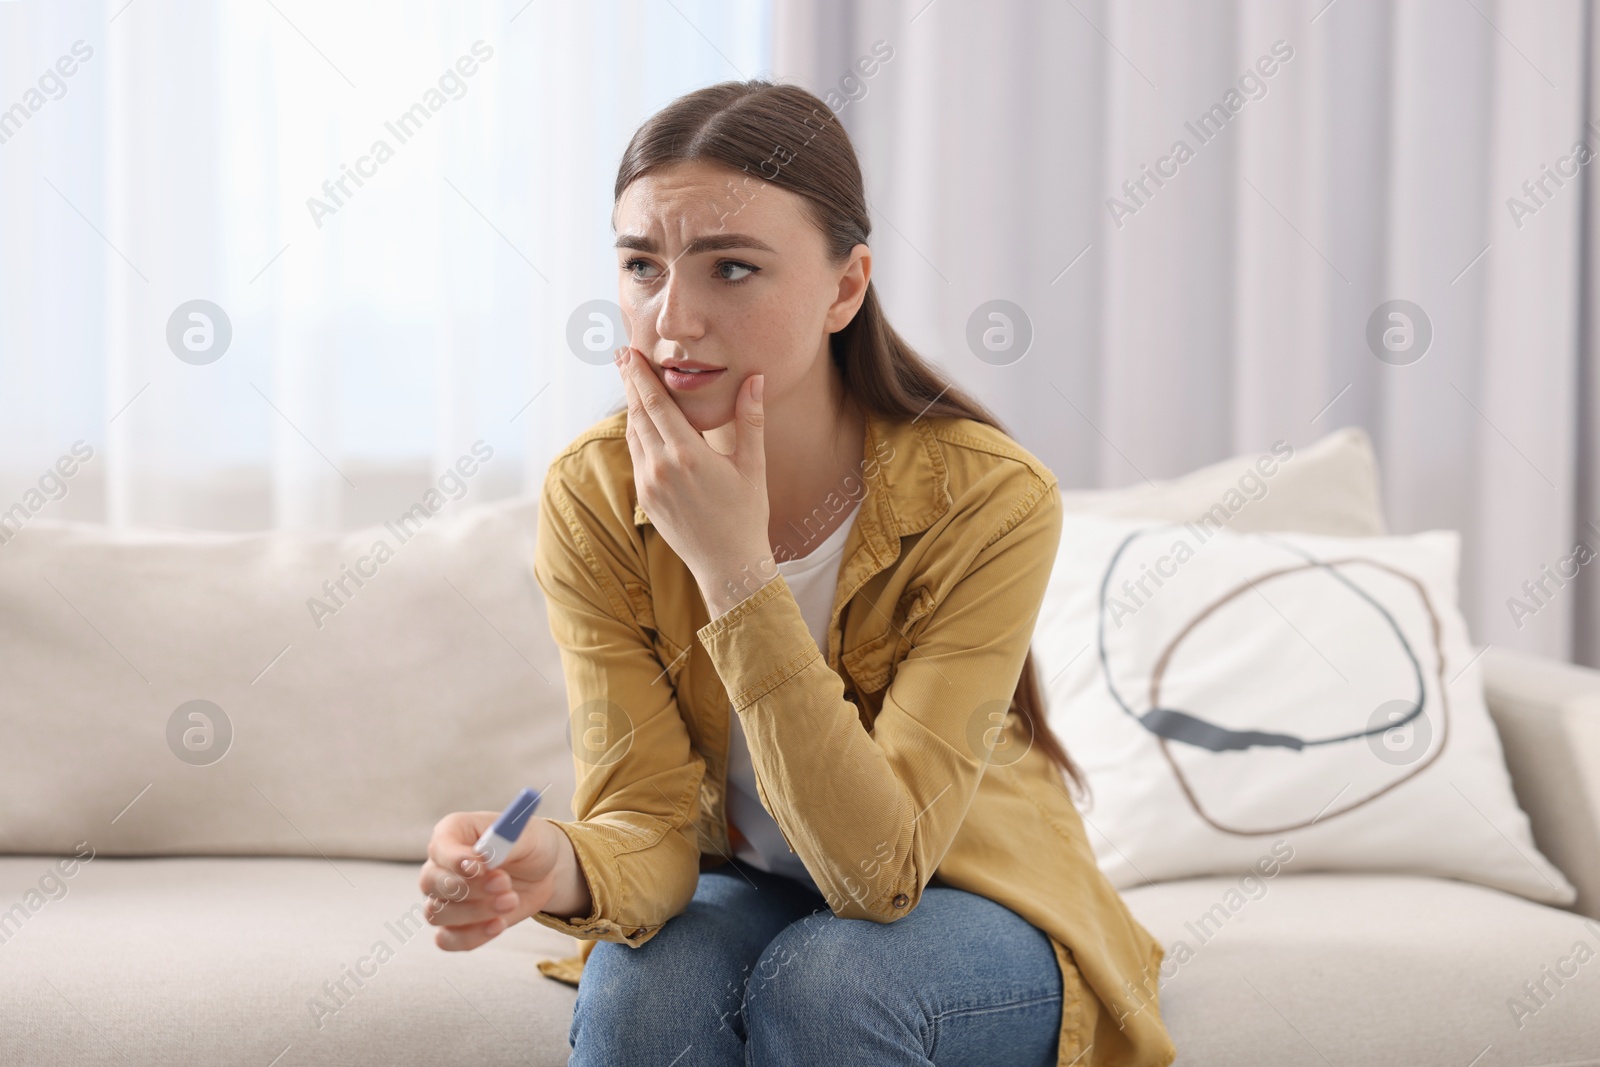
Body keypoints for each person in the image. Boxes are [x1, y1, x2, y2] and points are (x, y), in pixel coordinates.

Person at [417, 78, 1177, 1067]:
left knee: (827, 981)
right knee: (641, 990)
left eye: (730, 268)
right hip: (746, 878)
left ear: (845, 287)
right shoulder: (596, 496)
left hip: (966, 892)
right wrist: (553, 864)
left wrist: (736, 573)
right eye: (642, 265)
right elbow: (644, 816)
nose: (673, 320)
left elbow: (879, 873)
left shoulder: (988, 498)